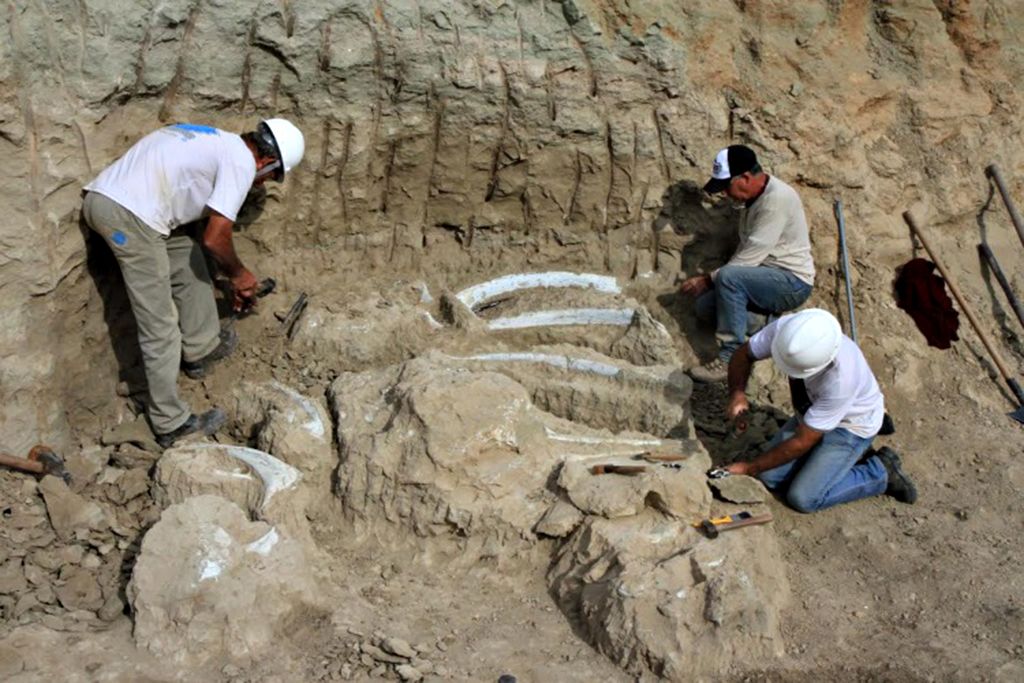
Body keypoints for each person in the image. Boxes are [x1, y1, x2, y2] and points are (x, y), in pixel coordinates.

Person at [82, 119, 305, 448]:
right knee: (160, 323)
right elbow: (217, 238)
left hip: (124, 206)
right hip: (128, 217)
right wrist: (240, 276)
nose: (262, 185)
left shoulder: (218, 141)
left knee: (187, 252)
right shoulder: (242, 163)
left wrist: (228, 277)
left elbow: (204, 237)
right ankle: (170, 423)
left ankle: (202, 348)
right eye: (271, 176)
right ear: (266, 161)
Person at [722, 308, 917, 512]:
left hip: (851, 426)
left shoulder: (841, 380)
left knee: (803, 498)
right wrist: (737, 394)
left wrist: (749, 467)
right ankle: (823, 462)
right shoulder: (790, 333)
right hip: (811, 414)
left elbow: (801, 441)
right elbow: (743, 354)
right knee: (769, 477)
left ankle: (880, 472)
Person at [681, 144, 815, 383]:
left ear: (744, 178)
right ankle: (774, 325)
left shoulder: (776, 200)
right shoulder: (752, 200)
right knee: (705, 308)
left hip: (791, 282)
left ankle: (730, 357)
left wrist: (707, 280)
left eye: (726, 187)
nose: (725, 194)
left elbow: (749, 258)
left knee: (728, 277)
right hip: (763, 279)